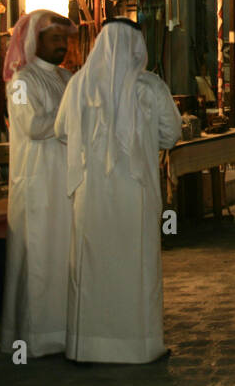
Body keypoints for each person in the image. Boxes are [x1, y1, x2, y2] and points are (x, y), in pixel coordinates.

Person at [56, 18, 182, 364]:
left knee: (92, 266)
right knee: (135, 266)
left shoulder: (79, 84)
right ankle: (138, 347)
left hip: (90, 194)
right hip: (134, 192)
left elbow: (61, 130)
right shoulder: (150, 87)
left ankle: (88, 346)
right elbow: (172, 135)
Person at [0, 10, 74, 357]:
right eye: (54, 38)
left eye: (64, 38)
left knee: (63, 258)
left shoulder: (67, 77)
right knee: (39, 258)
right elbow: (33, 125)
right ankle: (35, 336)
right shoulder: (19, 83)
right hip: (37, 184)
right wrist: (73, 117)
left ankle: (65, 332)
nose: (62, 45)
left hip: (66, 182)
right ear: (35, 41)